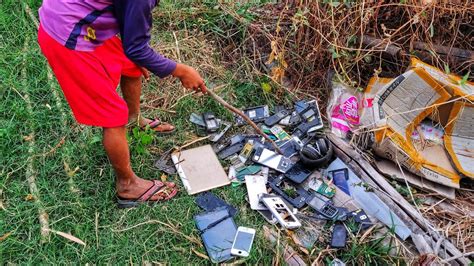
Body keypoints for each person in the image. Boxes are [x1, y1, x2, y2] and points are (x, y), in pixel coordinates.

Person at [37, 0, 207, 208]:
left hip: (75, 17)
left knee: (131, 65)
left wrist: (142, 55)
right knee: (113, 116)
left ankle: (134, 119)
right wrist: (181, 71)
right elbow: (136, 48)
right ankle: (127, 185)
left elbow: (133, 42)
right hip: (67, 32)